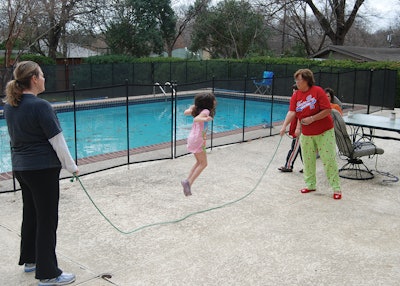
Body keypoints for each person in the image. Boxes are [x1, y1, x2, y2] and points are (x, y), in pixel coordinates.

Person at [4, 61, 78, 285]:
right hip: (42, 170)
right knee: (47, 219)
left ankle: (31, 260)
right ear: (34, 79)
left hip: (22, 169)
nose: (45, 79)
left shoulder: (10, 105)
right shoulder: (41, 106)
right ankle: (48, 273)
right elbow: (57, 141)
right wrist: (72, 167)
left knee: (32, 214)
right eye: (42, 75)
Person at [279, 68, 342, 200]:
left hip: (324, 131)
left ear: (306, 80)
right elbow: (292, 112)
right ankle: (310, 184)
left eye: (299, 80)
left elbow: (327, 110)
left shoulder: (318, 91)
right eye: (296, 80)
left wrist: (312, 119)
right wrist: (284, 126)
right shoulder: (296, 95)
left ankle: (336, 188)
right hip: (307, 133)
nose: (296, 82)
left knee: (328, 159)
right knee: (308, 160)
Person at [181, 92, 216, 196]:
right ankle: (188, 183)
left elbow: (185, 112)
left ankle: (187, 181)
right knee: (204, 163)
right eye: (213, 100)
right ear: (209, 103)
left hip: (193, 138)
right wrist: (205, 118)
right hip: (198, 140)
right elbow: (196, 119)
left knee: (199, 162)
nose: (215, 101)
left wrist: (193, 108)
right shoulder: (206, 111)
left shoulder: (197, 109)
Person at [278, 84, 303, 172]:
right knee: (301, 149)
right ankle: (307, 167)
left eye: (295, 92)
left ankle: (288, 166)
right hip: (297, 128)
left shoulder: (301, 101)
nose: (294, 94)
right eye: (293, 92)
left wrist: (298, 129)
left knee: (295, 148)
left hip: (300, 130)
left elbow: (300, 116)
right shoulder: (295, 101)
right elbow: (291, 114)